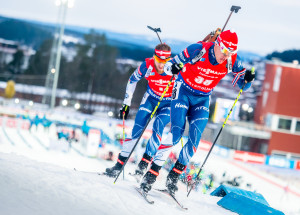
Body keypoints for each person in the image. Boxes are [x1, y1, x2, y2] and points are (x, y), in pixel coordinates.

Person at [139, 30, 255, 195]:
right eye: (223, 51)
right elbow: (166, 67)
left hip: (202, 98)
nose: (225, 55)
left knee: (195, 140)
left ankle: (173, 177)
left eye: (230, 52)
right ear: (217, 44)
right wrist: (174, 67)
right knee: (176, 133)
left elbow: (243, 85)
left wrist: (248, 79)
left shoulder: (232, 60)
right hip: (183, 92)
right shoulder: (197, 50)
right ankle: (151, 175)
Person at [105, 43, 175, 178]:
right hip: (150, 99)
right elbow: (132, 80)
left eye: (165, 61)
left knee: (158, 127)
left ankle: (143, 165)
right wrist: (126, 104)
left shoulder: (174, 67)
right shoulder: (147, 65)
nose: (161, 65)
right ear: (154, 57)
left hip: (168, 103)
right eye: (159, 61)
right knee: (136, 130)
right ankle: (118, 166)